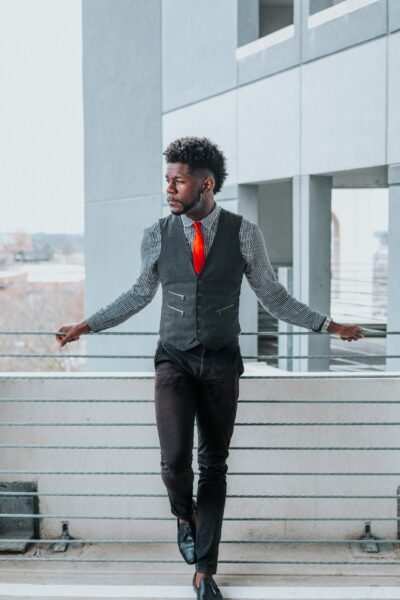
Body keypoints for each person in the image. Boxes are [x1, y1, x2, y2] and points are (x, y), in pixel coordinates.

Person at [56, 136, 364, 600]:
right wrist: (86, 325)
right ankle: (185, 513)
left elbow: (274, 298)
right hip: (174, 360)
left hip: (221, 362)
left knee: (214, 466)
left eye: (178, 181)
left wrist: (330, 325)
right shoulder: (156, 235)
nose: (170, 189)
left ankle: (205, 569)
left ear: (206, 184)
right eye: (167, 181)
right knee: (174, 463)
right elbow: (139, 294)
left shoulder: (244, 233)